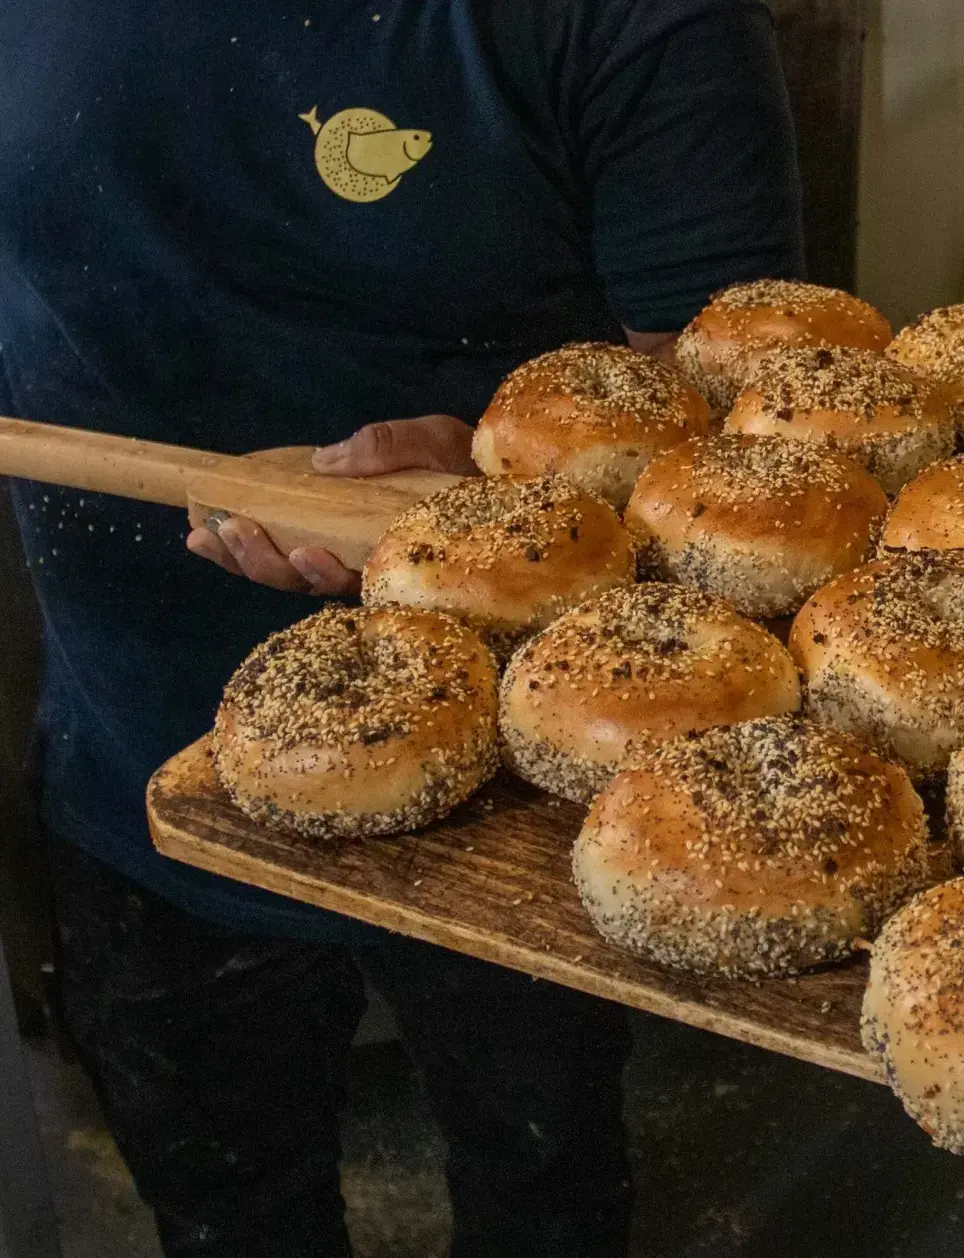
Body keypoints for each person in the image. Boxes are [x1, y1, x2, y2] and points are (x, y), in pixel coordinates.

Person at [0, 1, 804, 1254]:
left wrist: (513, 471)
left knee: (543, 1196)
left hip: (522, 795)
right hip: (136, 745)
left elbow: (763, 415)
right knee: (225, 1211)